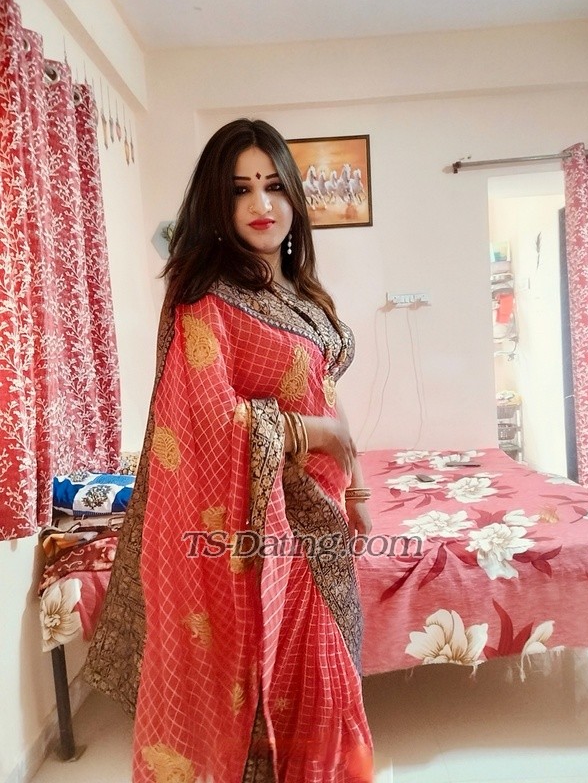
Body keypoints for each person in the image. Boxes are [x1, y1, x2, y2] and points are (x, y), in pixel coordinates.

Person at [84, 118, 374, 782]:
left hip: (324, 515)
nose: (261, 204)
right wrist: (317, 435)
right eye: (241, 190)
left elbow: (326, 390)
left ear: (294, 194)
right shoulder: (206, 298)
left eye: (273, 186)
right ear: (219, 202)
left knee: (332, 690)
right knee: (297, 692)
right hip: (266, 535)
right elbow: (208, 423)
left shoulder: (302, 290)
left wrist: (355, 486)